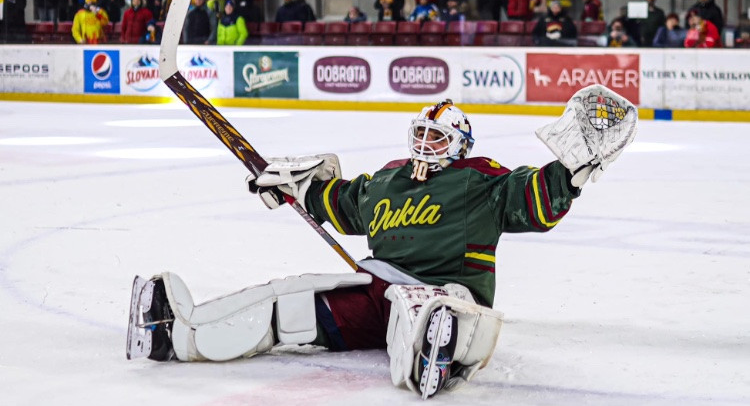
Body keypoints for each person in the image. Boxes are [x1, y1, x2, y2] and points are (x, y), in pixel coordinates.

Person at [127, 85, 638, 399]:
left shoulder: (481, 180)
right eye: (419, 133)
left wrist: (569, 172)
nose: (424, 143)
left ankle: (432, 355)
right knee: (290, 303)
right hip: (377, 289)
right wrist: (291, 187)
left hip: (447, 291)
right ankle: (176, 335)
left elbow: (532, 198)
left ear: (460, 145)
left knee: (434, 312)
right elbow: (340, 202)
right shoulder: (388, 180)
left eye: (436, 138)